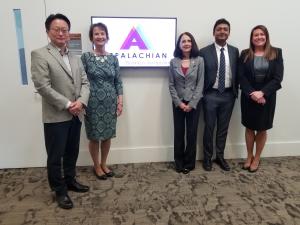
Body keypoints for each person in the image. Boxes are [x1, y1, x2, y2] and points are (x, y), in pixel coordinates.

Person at [31, 13, 90, 209]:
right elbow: (42, 86)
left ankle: (70, 180)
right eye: (56, 29)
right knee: (56, 156)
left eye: (64, 29)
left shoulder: (74, 57)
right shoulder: (40, 54)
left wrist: (81, 102)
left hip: (77, 113)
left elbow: (85, 83)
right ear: (48, 32)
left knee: (72, 151)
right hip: (57, 115)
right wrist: (68, 105)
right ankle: (59, 190)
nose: (61, 33)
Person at [81, 23, 123, 180]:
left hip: (110, 103)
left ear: (107, 36)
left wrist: (120, 102)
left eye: (102, 33)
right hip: (92, 103)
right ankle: (96, 165)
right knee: (94, 136)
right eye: (96, 34)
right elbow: (81, 81)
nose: (100, 36)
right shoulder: (86, 57)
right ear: (92, 37)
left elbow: (118, 82)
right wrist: (82, 101)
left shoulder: (113, 58)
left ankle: (104, 164)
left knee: (107, 136)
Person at [239, 25, 284, 172]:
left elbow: (277, 79)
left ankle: (257, 158)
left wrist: (262, 93)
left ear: (266, 36)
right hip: (248, 96)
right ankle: (249, 156)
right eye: (255, 35)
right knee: (249, 127)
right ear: (252, 38)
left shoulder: (276, 53)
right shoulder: (245, 54)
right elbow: (241, 77)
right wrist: (253, 94)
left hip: (268, 97)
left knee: (262, 128)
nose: (259, 37)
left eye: (261, 34)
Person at [199, 18, 239, 171]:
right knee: (209, 127)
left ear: (229, 33)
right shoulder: (204, 52)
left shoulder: (235, 51)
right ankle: (207, 158)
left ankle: (220, 157)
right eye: (219, 29)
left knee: (223, 128)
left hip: (228, 96)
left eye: (225, 29)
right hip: (210, 95)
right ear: (214, 32)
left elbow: (238, 73)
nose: (222, 31)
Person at [169, 32, 204, 174]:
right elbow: (171, 85)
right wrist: (179, 103)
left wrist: (192, 103)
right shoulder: (173, 62)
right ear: (179, 44)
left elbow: (200, 83)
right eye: (183, 41)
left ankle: (189, 163)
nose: (186, 43)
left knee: (191, 133)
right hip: (178, 103)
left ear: (192, 43)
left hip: (193, 103)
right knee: (178, 133)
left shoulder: (199, 60)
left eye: (189, 40)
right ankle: (179, 162)